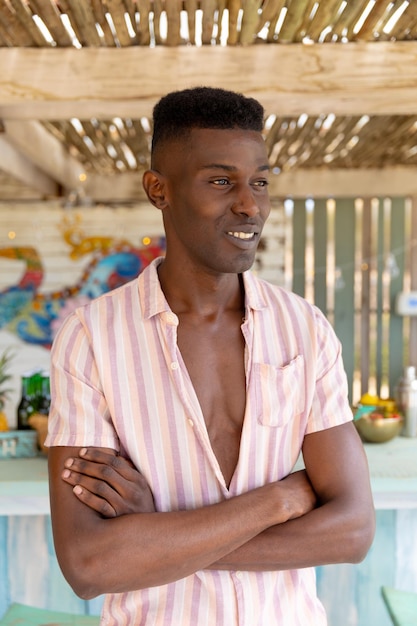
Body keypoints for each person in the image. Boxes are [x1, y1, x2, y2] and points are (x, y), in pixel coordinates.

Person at [46, 87, 375, 626]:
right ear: (159, 190)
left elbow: (354, 531)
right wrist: (280, 502)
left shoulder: (305, 329)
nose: (250, 203)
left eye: (260, 182)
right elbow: (89, 562)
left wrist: (159, 534)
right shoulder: (92, 337)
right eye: (221, 181)